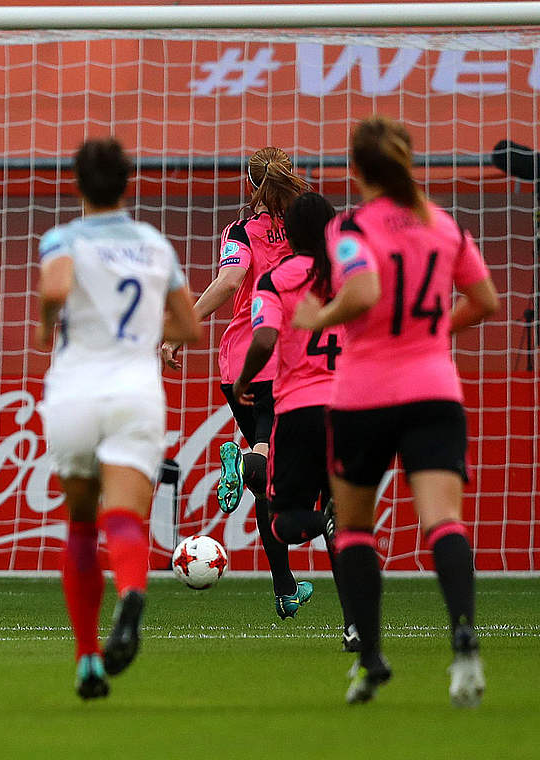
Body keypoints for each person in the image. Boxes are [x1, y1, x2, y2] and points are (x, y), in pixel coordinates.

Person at [292, 116, 498, 706]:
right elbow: (484, 300)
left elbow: (361, 292)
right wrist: (433, 331)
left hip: (364, 394)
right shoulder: (442, 225)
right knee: (443, 521)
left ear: (355, 171)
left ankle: (373, 659)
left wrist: (319, 319)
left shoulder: (349, 226)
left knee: (354, 526)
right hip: (435, 388)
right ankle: (463, 642)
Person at [34, 136, 202, 700]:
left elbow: (57, 286)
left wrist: (44, 324)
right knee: (124, 517)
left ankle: (87, 661)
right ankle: (132, 594)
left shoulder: (63, 238)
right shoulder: (154, 244)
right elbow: (190, 329)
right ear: (127, 184)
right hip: (136, 390)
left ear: (78, 184)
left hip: (76, 391)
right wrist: (141, 336)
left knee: (81, 524)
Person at [162, 146, 315, 620]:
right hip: (288, 361)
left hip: (238, 364)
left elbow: (230, 282)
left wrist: (181, 329)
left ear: (251, 187)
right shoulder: (308, 230)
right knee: (296, 484)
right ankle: (244, 466)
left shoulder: (240, 231)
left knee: (268, 481)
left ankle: (285, 589)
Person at [231, 191, 358, 651]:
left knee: (281, 520)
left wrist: (245, 379)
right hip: (349, 410)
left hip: (298, 410)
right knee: (349, 525)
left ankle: (301, 507)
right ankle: (356, 624)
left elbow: (263, 339)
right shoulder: (350, 277)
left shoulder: (275, 278)